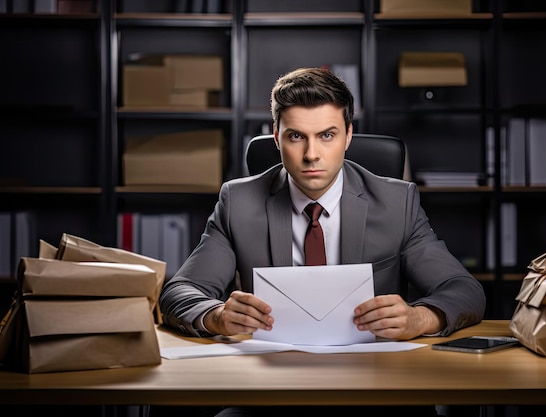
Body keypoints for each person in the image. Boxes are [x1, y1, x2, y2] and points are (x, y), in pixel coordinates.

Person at [159, 67, 486, 417]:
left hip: (377, 391)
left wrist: (419, 319)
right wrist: (217, 315)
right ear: (276, 137)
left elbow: (464, 290)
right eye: (297, 136)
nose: (312, 154)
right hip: (272, 393)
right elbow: (179, 292)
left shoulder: (396, 202)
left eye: (327, 135)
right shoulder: (238, 202)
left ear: (348, 135)